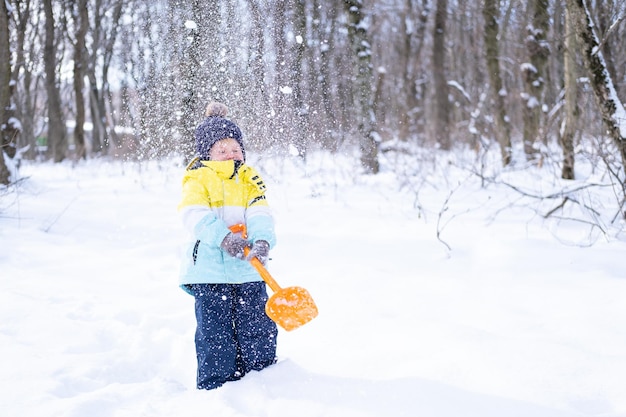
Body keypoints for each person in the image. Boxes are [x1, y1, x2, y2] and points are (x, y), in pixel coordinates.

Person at [178, 102, 278, 390]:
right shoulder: (196, 178)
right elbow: (193, 214)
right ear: (207, 153)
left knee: (257, 328)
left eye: (234, 148)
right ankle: (216, 389)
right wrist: (222, 237)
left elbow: (261, 211)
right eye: (221, 150)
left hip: (249, 270)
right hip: (209, 273)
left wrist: (262, 240)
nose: (230, 154)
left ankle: (264, 382)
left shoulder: (249, 179)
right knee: (215, 334)